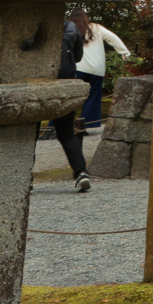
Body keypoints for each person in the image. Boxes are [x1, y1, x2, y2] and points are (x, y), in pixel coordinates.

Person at [70, 11, 131, 131]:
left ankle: (55, 127)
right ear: (85, 18)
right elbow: (112, 38)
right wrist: (124, 52)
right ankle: (89, 125)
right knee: (92, 97)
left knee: (68, 97)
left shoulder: (68, 28)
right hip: (95, 69)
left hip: (76, 68)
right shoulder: (95, 28)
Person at [53, 16, 93, 192]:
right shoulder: (70, 27)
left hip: (37, 83)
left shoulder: (32, 24)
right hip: (66, 83)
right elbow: (77, 57)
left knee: (29, 133)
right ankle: (81, 172)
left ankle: (26, 177)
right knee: (67, 133)